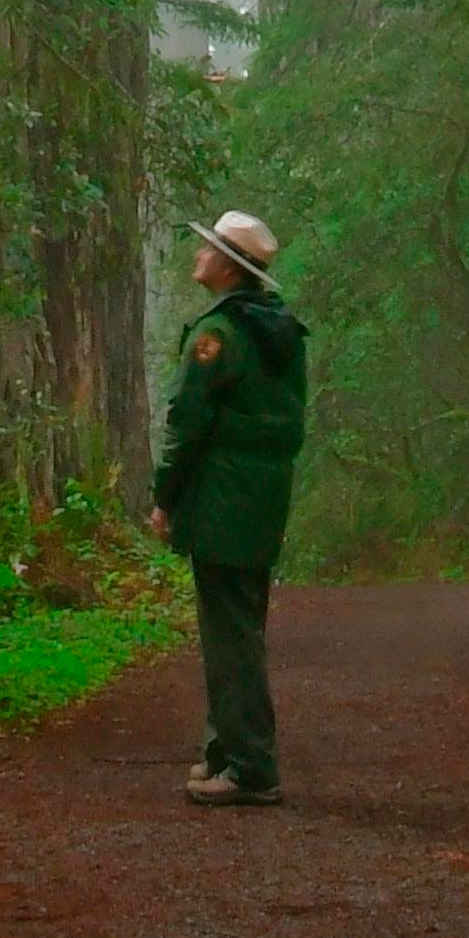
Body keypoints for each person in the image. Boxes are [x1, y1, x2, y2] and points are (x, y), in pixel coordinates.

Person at [149, 207, 307, 806]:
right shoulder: (278, 331)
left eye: (208, 249)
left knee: (231, 635)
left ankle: (249, 766)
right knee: (238, 624)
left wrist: (165, 495)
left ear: (229, 269)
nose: (199, 256)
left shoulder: (221, 335)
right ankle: (225, 753)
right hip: (262, 498)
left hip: (222, 499)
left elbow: (188, 423)